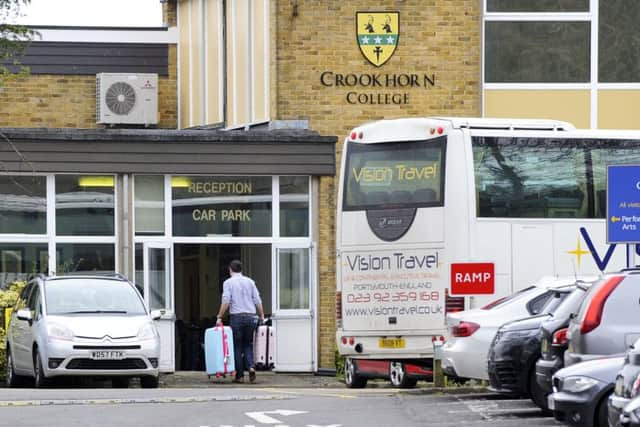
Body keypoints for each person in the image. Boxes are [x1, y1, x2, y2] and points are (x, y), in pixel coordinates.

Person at [215, 259, 265, 383]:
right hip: (251, 317)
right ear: (241, 270)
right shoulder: (250, 282)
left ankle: (240, 376)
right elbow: (257, 300)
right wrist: (262, 315)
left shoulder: (228, 283)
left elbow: (226, 301)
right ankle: (251, 367)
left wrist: (219, 316)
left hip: (237, 317)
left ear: (230, 270)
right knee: (248, 344)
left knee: (237, 346)